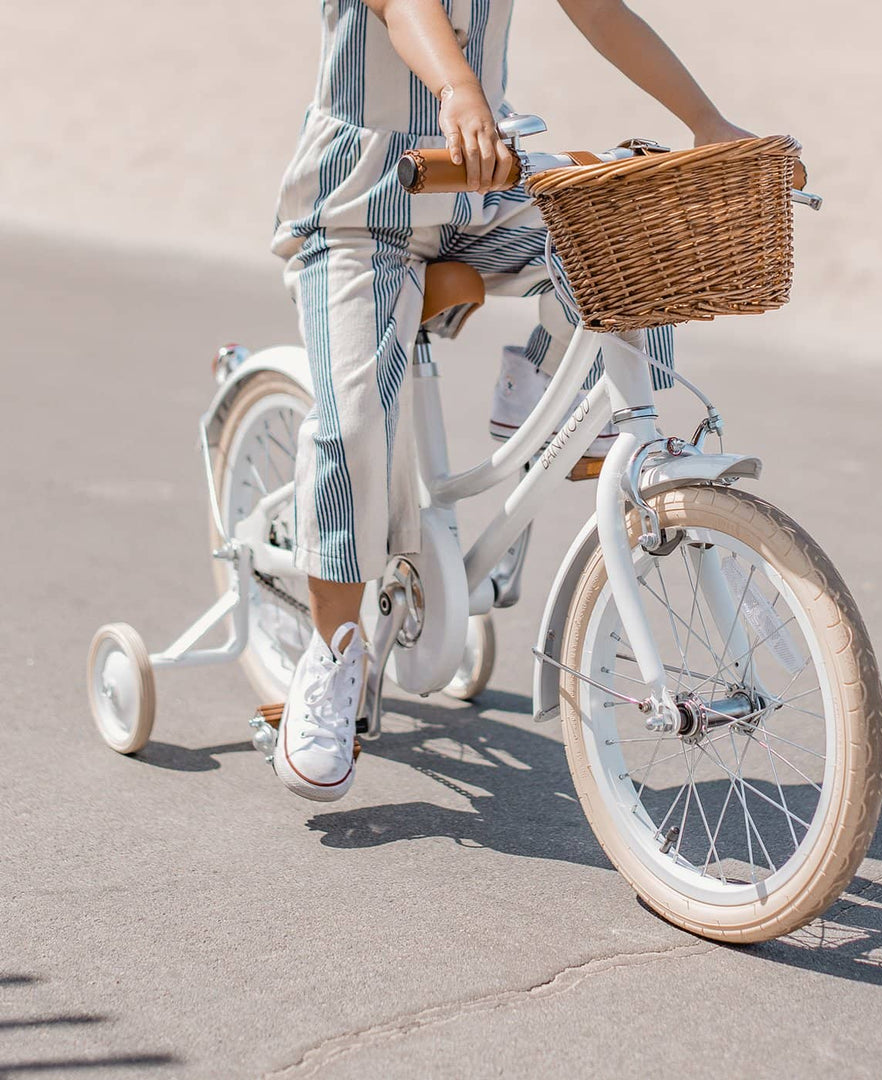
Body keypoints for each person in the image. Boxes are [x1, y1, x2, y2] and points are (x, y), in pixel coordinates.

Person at [269, 0, 753, 802]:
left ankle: (533, 389)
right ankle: (333, 650)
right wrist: (460, 89)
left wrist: (707, 120)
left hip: (480, 193)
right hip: (361, 206)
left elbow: (599, 10)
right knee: (354, 425)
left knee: (628, 242)